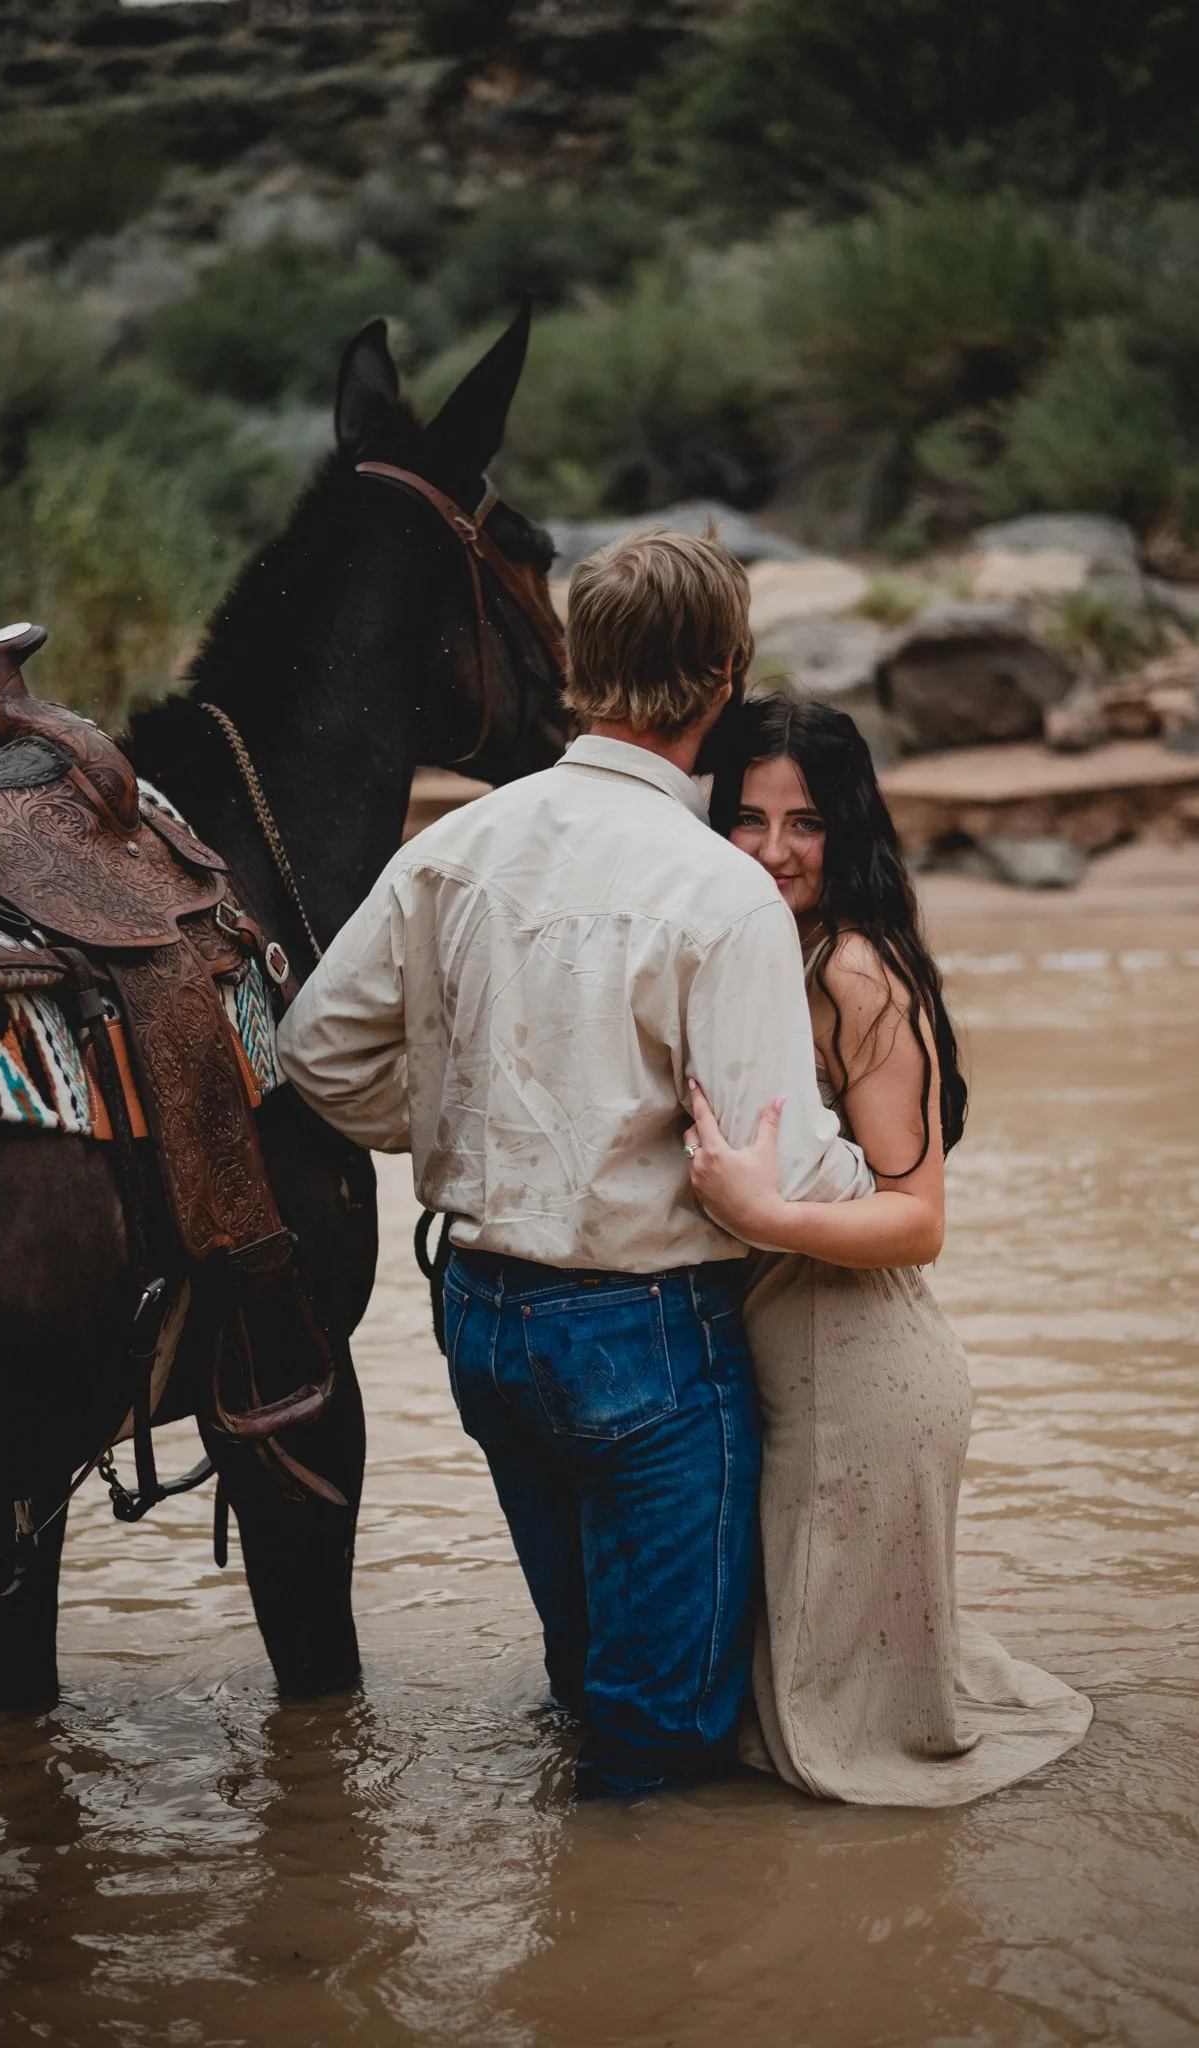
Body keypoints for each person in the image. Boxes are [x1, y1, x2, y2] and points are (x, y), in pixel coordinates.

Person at [277, 531, 872, 1798]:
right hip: (646, 1331)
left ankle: (573, 1951)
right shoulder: (723, 893)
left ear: (579, 665)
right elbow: (794, 1166)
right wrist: (879, 1190)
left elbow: (314, 1051)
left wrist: (454, 1119)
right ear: (724, 672)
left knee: (583, 1674)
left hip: (482, 1320)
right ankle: (626, 1972)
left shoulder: (457, 845)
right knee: (658, 1739)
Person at [684, 696, 1093, 1805]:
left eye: (804, 822)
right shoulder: (777, 949)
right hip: (811, 1364)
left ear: (846, 829)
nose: (773, 851)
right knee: (798, 1717)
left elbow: (919, 1218)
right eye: (748, 819)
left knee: (831, 1758)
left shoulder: (850, 970)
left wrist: (756, 1211)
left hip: (857, 1382)